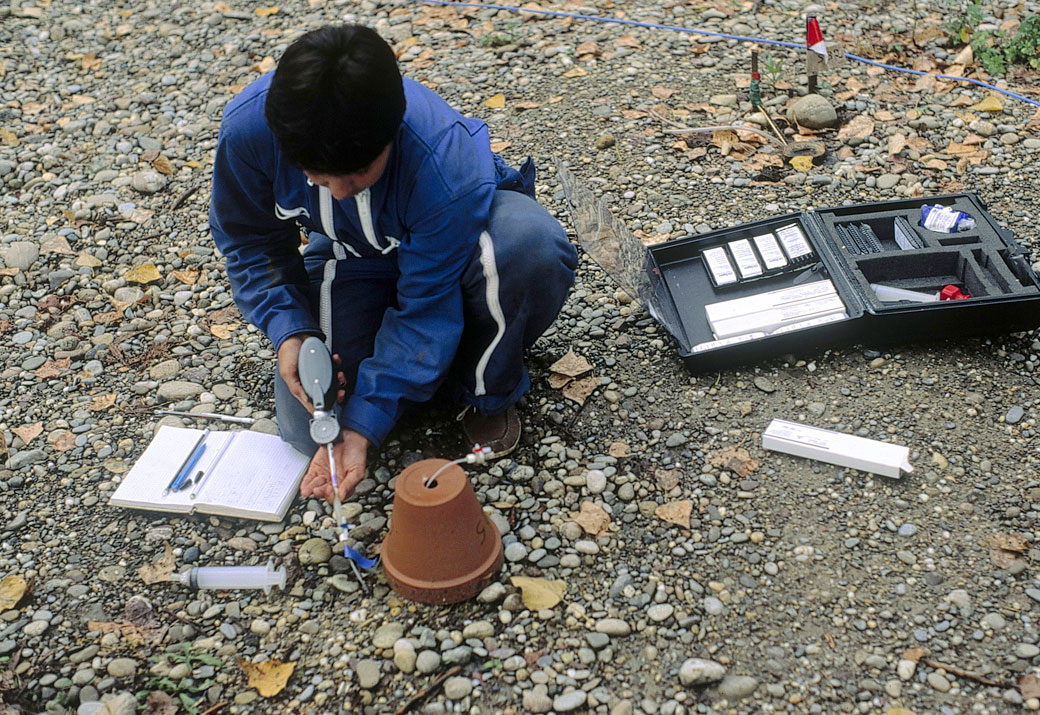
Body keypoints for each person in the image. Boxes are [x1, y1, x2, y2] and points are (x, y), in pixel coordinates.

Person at [209, 25, 577, 503]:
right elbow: (249, 242)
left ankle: (486, 386)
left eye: (358, 174)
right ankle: (428, 367)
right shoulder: (248, 132)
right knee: (310, 428)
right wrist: (290, 330)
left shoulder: (443, 160)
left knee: (530, 248)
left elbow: (426, 302)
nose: (338, 191)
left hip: (458, 250)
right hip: (351, 252)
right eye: (317, 177)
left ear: (393, 131)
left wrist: (367, 419)